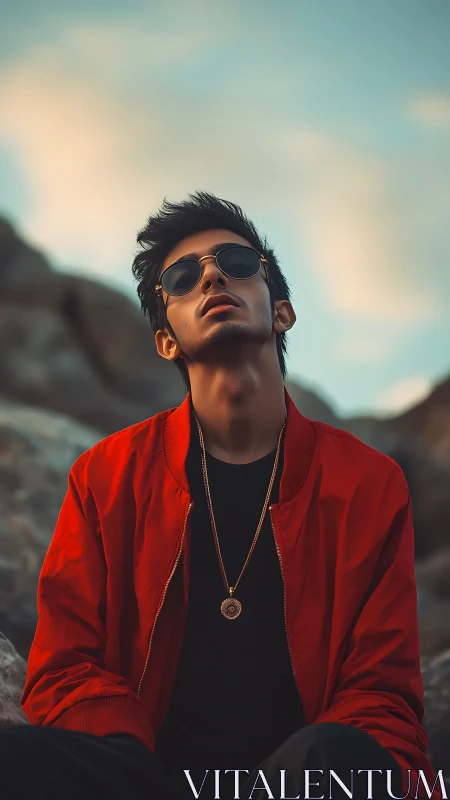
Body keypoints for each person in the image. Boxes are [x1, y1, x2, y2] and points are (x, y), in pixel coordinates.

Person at [2, 192, 441, 800]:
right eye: (182, 278)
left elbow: (381, 687)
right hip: (145, 778)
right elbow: (65, 665)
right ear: (165, 342)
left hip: (300, 780)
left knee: (335, 755)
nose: (211, 275)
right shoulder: (104, 475)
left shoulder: (367, 481)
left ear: (282, 311)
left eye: (236, 262)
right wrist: (131, 764)